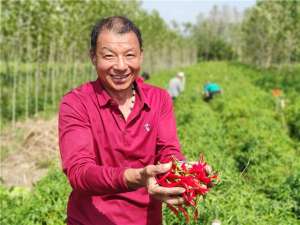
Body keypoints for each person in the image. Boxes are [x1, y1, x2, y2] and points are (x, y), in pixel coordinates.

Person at [58, 16, 186, 225]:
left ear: (141, 56)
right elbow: (79, 172)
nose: (120, 66)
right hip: (90, 220)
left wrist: (185, 171)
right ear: (93, 57)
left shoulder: (159, 98)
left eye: (129, 55)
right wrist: (137, 177)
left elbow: (168, 150)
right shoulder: (76, 103)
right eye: (109, 56)